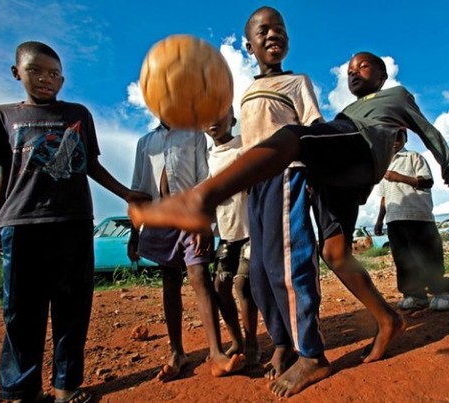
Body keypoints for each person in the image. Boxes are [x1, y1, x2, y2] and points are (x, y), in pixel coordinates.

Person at [128, 49, 449, 392]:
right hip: (337, 178)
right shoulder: (345, 114)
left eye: (363, 66)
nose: (354, 72)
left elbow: (427, 130)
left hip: (360, 152)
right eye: (349, 70)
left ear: (382, 73)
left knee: (291, 136)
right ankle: (387, 319)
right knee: (334, 253)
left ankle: (203, 197)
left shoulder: (394, 97)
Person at [0, 41, 151, 403]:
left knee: (72, 309)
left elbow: (91, 165)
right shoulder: (3, 116)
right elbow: (4, 173)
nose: (46, 79)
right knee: (20, 313)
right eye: (36, 71)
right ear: (17, 73)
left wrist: (127, 194)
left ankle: (66, 387)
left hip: (73, 221)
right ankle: (18, 391)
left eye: (54, 74)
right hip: (20, 222)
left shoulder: (77, 113)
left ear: (63, 80)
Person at [232, 6, 329, 398]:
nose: (273, 35)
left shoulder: (297, 82)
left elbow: (315, 127)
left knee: (288, 266)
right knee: (259, 272)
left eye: (279, 29)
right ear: (249, 45)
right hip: (255, 186)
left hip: (288, 173)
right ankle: (283, 343)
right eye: (263, 31)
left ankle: (312, 354)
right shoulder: (246, 92)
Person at [128, 120, 245, 380]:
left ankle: (216, 352)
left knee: (199, 276)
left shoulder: (193, 135)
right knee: (169, 283)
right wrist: (134, 233)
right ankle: (177, 352)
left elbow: (204, 179)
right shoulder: (146, 142)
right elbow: (139, 188)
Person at [374, 131, 449, 311]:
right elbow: (383, 197)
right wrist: (380, 220)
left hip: (418, 216)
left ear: (405, 138)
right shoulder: (383, 163)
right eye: (391, 137)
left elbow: (427, 181)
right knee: (404, 260)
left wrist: (399, 177)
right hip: (394, 219)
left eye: (399, 137)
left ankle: (442, 292)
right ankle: (414, 295)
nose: (395, 141)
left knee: (427, 257)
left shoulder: (413, 157)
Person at [205, 107, 260, 367]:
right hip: (227, 234)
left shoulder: (243, 148)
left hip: (251, 230)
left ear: (232, 120)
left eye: (219, 114)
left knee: (242, 285)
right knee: (219, 287)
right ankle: (236, 340)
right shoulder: (206, 158)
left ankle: (251, 342)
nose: (213, 120)